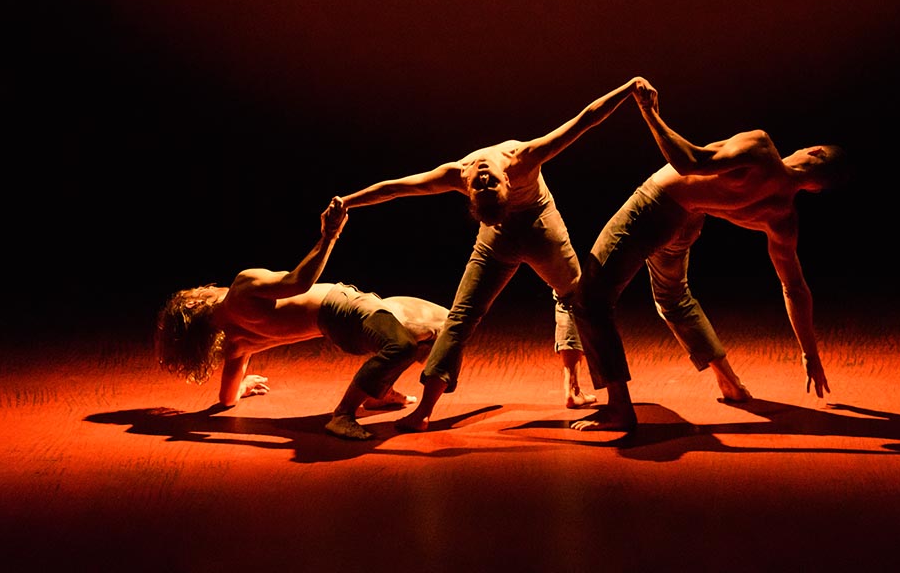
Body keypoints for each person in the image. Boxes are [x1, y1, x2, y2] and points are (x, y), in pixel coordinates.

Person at [338, 77, 648, 432]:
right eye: (482, 185)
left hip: (540, 228)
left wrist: (627, 90)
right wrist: (348, 202)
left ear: (508, 182)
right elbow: (396, 189)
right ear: (469, 193)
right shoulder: (460, 174)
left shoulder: (523, 159)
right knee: (460, 319)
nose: (484, 178)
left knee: (578, 302)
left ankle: (579, 390)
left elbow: (585, 119)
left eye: (488, 183)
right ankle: (423, 411)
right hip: (497, 238)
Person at [571, 79, 849, 431]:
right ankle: (728, 381)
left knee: (590, 300)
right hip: (686, 223)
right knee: (672, 298)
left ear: (813, 152)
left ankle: (619, 407)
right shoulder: (783, 217)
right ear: (815, 188)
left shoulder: (762, 149)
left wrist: (650, 114)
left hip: (656, 208)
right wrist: (810, 354)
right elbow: (794, 288)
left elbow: (689, 163)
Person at [154, 197, 450, 441]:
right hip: (341, 308)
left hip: (338, 329)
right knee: (411, 341)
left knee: (434, 331)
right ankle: (343, 415)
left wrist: (242, 386)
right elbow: (299, 282)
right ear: (193, 302)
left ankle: (378, 393)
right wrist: (329, 235)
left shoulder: (235, 344)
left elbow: (227, 399)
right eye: (198, 290)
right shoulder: (241, 289)